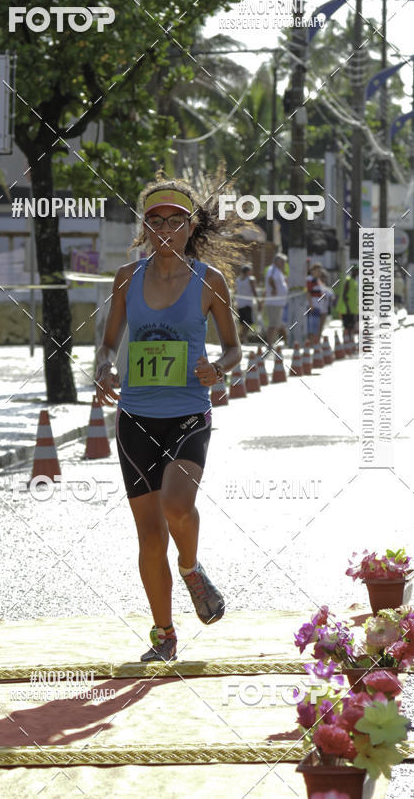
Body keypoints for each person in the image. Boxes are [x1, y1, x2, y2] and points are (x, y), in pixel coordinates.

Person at [95, 178, 242, 663]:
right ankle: (163, 634)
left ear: (190, 226)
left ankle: (192, 567)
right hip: (135, 416)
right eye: (154, 221)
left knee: (178, 508)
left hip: (188, 414)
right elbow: (109, 341)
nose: (164, 230)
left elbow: (235, 349)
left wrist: (217, 368)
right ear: (145, 227)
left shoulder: (209, 281)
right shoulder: (126, 277)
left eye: (174, 222)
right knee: (149, 535)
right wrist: (103, 368)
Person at [264, 253, 288, 349]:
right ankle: (270, 344)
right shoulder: (273, 269)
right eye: (282, 261)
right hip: (274, 302)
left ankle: (280, 341)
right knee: (273, 324)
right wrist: (274, 289)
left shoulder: (278, 270)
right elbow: (270, 279)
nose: (283, 263)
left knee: (277, 323)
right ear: (276, 261)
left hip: (278, 302)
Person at [234, 264, 260, 343]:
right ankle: (244, 337)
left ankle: (242, 337)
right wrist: (258, 301)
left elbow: (236, 291)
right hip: (247, 303)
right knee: (248, 322)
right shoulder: (251, 279)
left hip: (240, 303)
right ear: (248, 271)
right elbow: (254, 290)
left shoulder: (238, 280)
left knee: (243, 322)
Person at [334, 265, 359, 337]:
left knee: (352, 327)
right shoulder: (348, 281)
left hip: (353, 309)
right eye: (356, 270)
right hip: (347, 309)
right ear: (353, 271)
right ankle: (347, 341)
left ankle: (350, 342)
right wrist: (347, 308)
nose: (357, 272)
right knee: (347, 327)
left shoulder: (355, 282)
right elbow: (344, 296)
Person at [306, 263, 328, 345]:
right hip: (313, 306)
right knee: (312, 327)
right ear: (312, 271)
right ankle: (311, 344)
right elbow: (307, 292)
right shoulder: (310, 279)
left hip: (319, 307)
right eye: (318, 271)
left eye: (320, 271)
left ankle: (315, 343)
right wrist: (311, 304)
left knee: (317, 326)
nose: (319, 273)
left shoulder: (318, 281)